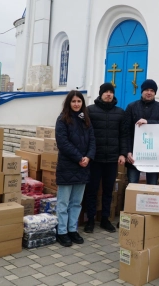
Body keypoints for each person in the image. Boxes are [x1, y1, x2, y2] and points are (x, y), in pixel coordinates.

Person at [84, 83, 128, 233]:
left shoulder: (120, 113)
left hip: (111, 159)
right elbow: (85, 134)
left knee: (108, 191)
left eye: (111, 92)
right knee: (92, 190)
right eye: (106, 92)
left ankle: (105, 219)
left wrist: (122, 153)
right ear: (101, 94)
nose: (108, 94)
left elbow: (123, 135)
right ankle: (90, 220)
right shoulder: (90, 111)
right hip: (95, 158)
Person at [55, 90, 96, 247]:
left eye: (79, 101)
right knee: (63, 203)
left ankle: (72, 230)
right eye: (74, 101)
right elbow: (63, 143)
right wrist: (79, 158)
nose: (76, 104)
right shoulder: (62, 120)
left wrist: (88, 157)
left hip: (83, 167)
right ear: (68, 103)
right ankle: (62, 232)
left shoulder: (86, 120)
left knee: (76, 202)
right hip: (68, 166)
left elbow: (92, 140)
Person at [125, 79, 159, 184]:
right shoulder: (132, 107)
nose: (149, 92)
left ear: (155, 93)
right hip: (134, 155)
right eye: (146, 90)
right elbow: (126, 131)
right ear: (141, 91)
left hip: (154, 155)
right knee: (132, 184)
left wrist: (148, 122)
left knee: (153, 185)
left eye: (152, 90)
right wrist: (127, 152)